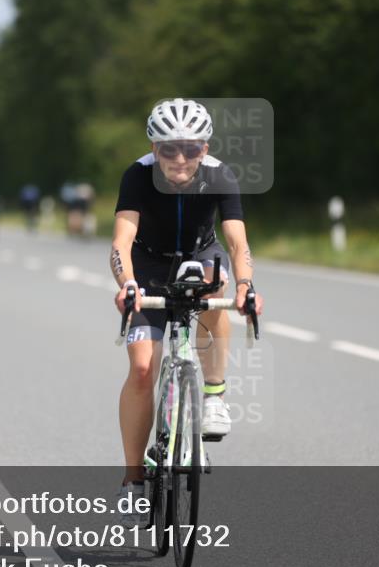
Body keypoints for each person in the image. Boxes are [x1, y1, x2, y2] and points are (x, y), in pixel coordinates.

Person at [110, 98, 264, 519]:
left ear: (205, 148)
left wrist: (247, 285)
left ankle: (213, 393)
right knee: (142, 368)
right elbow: (121, 243)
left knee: (219, 284)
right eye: (169, 149)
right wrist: (127, 285)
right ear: (154, 149)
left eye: (191, 149)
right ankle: (133, 475)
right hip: (149, 263)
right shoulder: (137, 176)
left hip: (200, 255)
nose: (180, 158)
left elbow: (237, 242)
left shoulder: (219, 175)